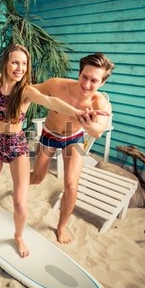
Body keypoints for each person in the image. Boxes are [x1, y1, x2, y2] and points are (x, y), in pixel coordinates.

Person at [0, 44, 107, 258]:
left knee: (21, 204)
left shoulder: (26, 91)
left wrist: (78, 113)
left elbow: (52, 102)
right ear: (5, 63)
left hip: (17, 146)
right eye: (15, 62)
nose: (20, 68)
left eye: (24, 64)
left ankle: (19, 236)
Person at [30, 53, 114, 244]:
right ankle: (19, 184)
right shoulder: (57, 85)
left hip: (73, 138)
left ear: (102, 82)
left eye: (94, 80)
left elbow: (97, 132)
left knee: (71, 185)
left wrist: (87, 123)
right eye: (84, 77)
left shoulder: (100, 104)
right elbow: (28, 91)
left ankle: (61, 227)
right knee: (37, 178)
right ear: (79, 73)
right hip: (49, 134)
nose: (86, 84)